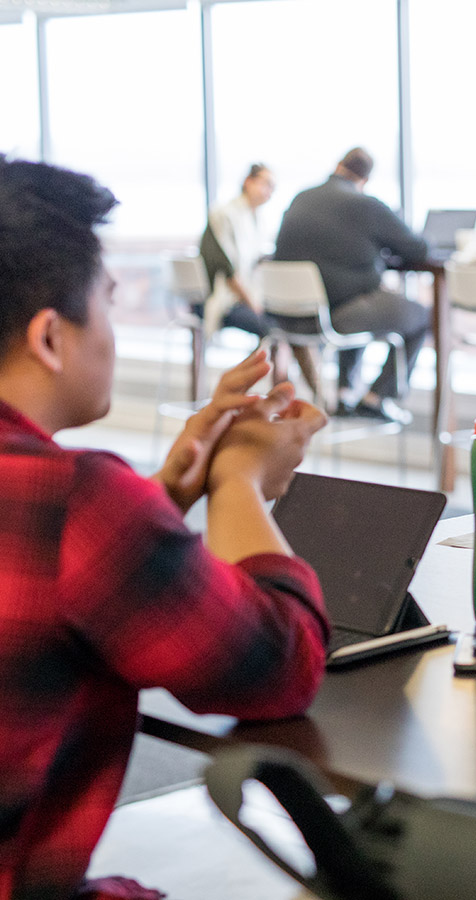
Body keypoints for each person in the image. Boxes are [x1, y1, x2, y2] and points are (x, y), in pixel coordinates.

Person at [0, 156, 330, 900]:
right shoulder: (74, 503)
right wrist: (238, 482)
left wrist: (170, 489)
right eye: (107, 304)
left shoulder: (66, 509)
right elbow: (280, 666)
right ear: (50, 337)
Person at [274, 147, 430, 424]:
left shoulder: (302, 197)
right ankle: (377, 398)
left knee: (362, 300)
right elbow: (417, 248)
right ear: (364, 179)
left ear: (338, 166)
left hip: (286, 316)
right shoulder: (366, 205)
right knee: (419, 316)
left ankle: (346, 392)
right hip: (331, 318)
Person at [199, 163, 319, 393]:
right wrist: (252, 303)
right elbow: (225, 270)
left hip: (254, 298)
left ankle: (310, 395)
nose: (269, 192)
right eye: (265, 184)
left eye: (272, 188)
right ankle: (281, 394)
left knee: (292, 324)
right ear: (248, 181)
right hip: (227, 301)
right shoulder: (223, 215)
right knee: (277, 331)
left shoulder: (258, 220)